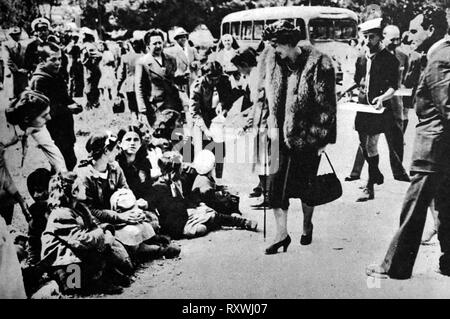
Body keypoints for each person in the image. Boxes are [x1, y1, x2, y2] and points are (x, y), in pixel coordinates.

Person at [366, 7, 450, 279]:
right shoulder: (437, 54)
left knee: (413, 210)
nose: (408, 35)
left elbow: (447, 107)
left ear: (431, 30)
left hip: (434, 147)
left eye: (415, 30)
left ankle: (395, 266)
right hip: (440, 145)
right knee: (445, 206)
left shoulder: (440, 57)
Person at [261, 20, 337, 253]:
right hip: (276, 134)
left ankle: (306, 225)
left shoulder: (319, 63)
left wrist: (320, 138)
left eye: (277, 45)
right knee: (274, 186)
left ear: (289, 43)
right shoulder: (272, 60)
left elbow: (327, 106)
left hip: (306, 137)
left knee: (306, 186)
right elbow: (265, 96)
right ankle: (281, 234)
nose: (274, 50)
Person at [40, 172, 129, 295]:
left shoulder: (81, 207)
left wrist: (106, 231)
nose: (84, 188)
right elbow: (81, 240)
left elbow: (94, 226)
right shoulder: (60, 214)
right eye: (81, 186)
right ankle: (92, 283)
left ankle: (103, 275)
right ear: (74, 192)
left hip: (80, 251)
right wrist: (101, 233)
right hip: (62, 260)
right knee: (73, 286)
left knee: (116, 259)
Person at [342, 18, 400, 201]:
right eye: (365, 37)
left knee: (371, 144)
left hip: (379, 109)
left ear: (380, 37)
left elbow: (393, 87)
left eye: (371, 37)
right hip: (362, 106)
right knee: (362, 143)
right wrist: (342, 92)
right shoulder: (361, 57)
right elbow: (357, 81)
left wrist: (382, 98)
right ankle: (376, 173)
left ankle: (369, 186)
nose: (367, 41)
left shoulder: (390, 60)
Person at [149, 152, 257, 239]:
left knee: (209, 213)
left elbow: (185, 199)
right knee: (206, 221)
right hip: (176, 224)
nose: (184, 168)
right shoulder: (160, 187)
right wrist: (191, 207)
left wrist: (195, 204)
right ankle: (236, 222)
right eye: (181, 166)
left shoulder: (177, 181)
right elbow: (172, 209)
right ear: (174, 170)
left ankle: (243, 223)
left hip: (183, 216)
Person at [29, 42, 82, 171]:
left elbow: (63, 97)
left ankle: (59, 187)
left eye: (59, 59)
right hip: (53, 130)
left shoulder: (56, 75)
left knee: (69, 161)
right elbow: (42, 110)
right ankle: (55, 188)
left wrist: (73, 103)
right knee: (63, 164)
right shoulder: (39, 80)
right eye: (53, 59)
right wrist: (68, 109)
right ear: (42, 60)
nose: (58, 62)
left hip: (65, 127)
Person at [232, 47, 271, 205]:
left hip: (263, 122)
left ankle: (268, 195)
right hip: (261, 120)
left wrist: (248, 122)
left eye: (238, 67)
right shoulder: (256, 74)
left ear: (243, 64)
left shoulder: (255, 77)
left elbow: (259, 104)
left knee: (263, 159)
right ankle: (264, 188)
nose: (238, 70)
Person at [189, 61, 234, 181]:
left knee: (220, 151)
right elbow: (194, 112)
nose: (214, 82)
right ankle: (201, 183)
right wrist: (205, 130)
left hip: (218, 120)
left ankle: (218, 180)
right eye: (211, 79)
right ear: (205, 76)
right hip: (202, 119)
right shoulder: (197, 86)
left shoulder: (224, 80)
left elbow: (229, 98)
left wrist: (223, 107)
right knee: (202, 153)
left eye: (217, 78)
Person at [4, 90, 67, 172]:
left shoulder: (36, 125)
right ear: (26, 119)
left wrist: (63, 173)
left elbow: (53, 153)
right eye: (44, 115)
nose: (49, 118)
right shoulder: (5, 134)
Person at [135, 29, 182, 127]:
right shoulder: (143, 62)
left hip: (173, 103)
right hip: (156, 106)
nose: (158, 46)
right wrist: (142, 110)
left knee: (177, 135)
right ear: (148, 46)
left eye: (160, 43)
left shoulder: (171, 59)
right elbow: (139, 87)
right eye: (154, 44)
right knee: (160, 136)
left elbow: (173, 79)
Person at [116, 39, 144, 117]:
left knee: (132, 106)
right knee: (142, 105)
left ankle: (134, 121)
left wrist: (118, 87)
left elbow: (121, 75)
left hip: (130, 84)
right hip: (142, 84)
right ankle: (142, 122)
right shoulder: (144, 56)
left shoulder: (125, 57)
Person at [3, 26, 28, 99]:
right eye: (14, 34)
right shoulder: (6, 45)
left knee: (23, 97)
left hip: (23, 76)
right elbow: (7, 60)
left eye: (18, 34)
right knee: (13, 97)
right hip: (12, 74)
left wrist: (26, 69)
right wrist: (17, 70)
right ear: (10, 35)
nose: (17, 36)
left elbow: (27, 59)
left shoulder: (24, 45)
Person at [81, 32, 102, 109]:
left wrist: (87, 61)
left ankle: (90, 103)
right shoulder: (94, 46)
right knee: (94, 87)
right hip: (95, 68)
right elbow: (99, 56)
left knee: (88, 87)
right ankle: (95, 103)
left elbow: (84, 60)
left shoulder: (86, 46)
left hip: (89, 69)